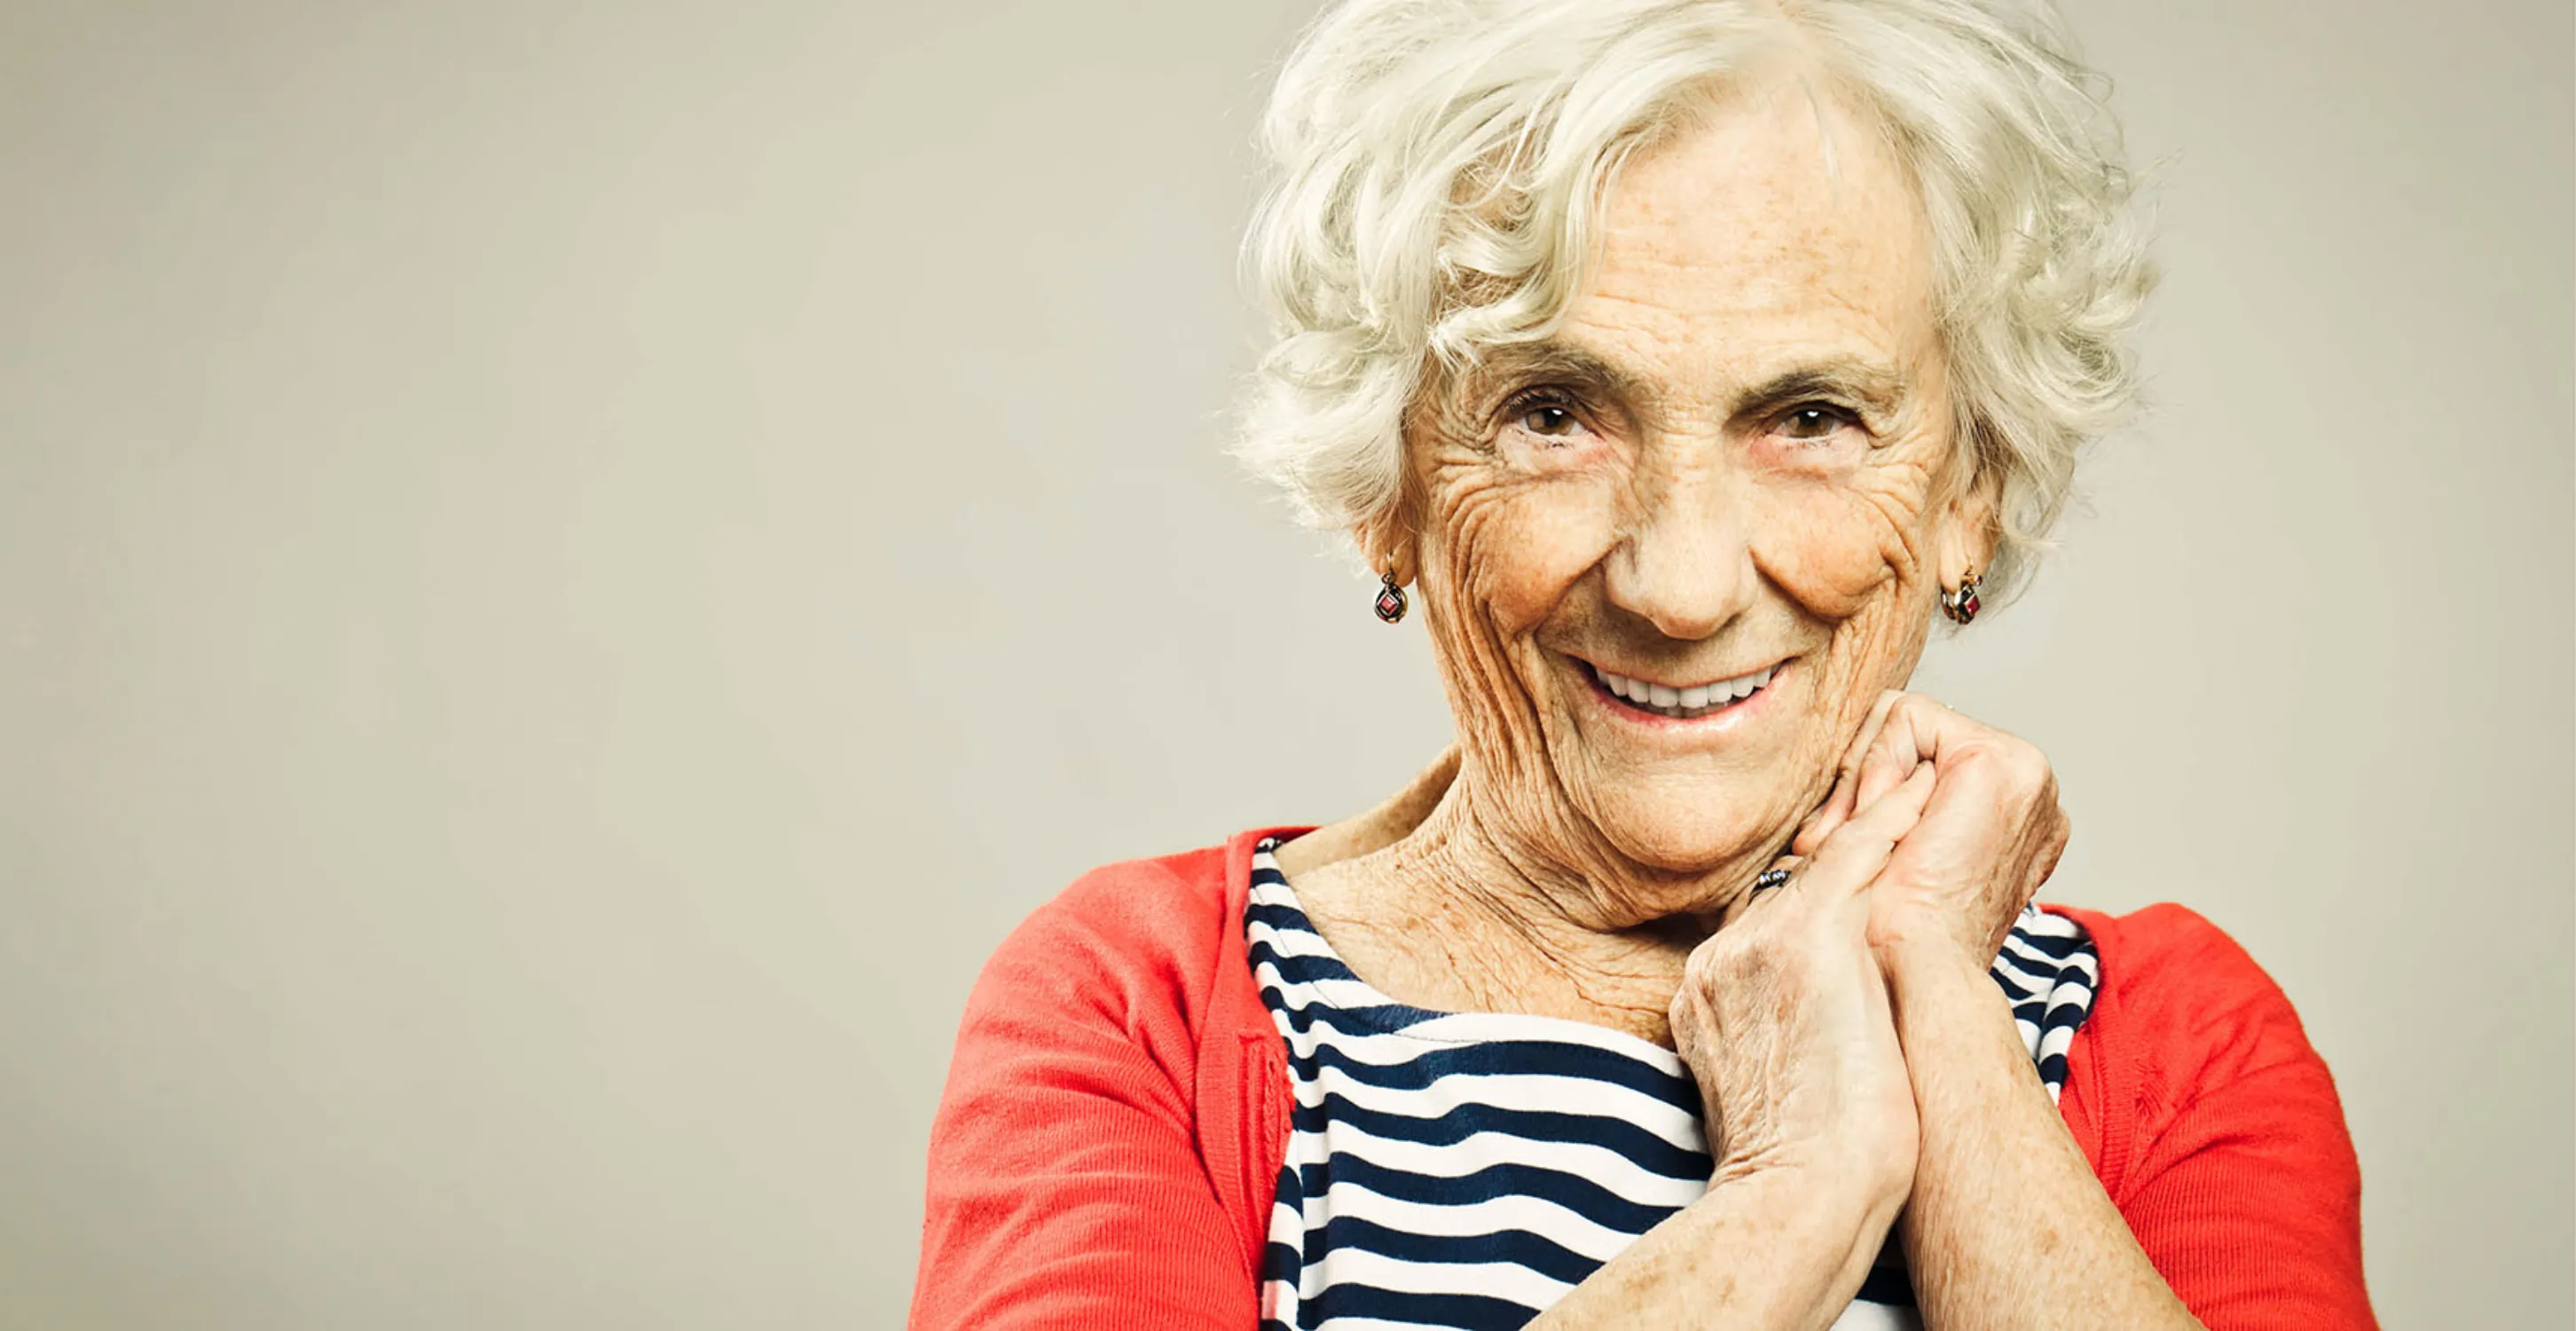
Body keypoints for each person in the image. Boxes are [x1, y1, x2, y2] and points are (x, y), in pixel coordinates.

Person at [908, 1, 2374, 1327]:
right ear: (1386, 482)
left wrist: (1940, 1008)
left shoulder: (2177, 1048)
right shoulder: (1140, 1008)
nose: (1680, 587)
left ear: (1969, 489)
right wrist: (1793, 1196)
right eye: (1552, 412)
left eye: (1809, 418)